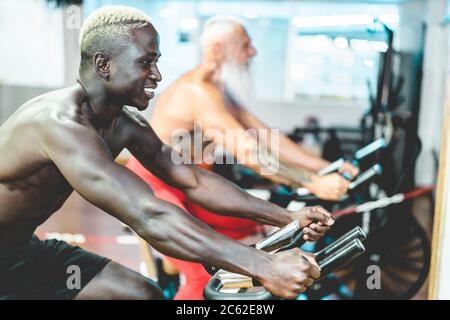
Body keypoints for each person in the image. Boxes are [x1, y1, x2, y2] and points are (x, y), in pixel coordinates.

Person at [0, 6, 333, 300]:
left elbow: (192, 180)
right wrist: (264, 266)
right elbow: (148, 216)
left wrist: (285, 217)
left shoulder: (124, 123)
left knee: (142, 293)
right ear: (104, 65)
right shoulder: (58, 124)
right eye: (146, 63)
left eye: (156, 62)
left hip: (20, 249)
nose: (157, 76)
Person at [126, 15, 357, 299]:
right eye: (246, 46)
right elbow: (249, 152)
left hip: (190, 181)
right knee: (205, 272)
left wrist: (324, 168)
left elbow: (264, 135)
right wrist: (312, 183)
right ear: (220, 49)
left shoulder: (220, 89)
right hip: (156, 184)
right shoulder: (197, 92)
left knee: (250, 227)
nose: (253, 52)